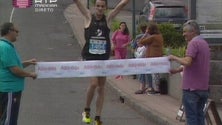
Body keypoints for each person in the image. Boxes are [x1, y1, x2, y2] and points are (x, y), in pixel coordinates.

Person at [73, 0, 129, 125]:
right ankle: (86, 110)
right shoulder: (88, 17)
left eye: (102, 6)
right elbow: (78, 4)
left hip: (103, 58)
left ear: (105, 8)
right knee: (93, 83)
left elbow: (120, 6)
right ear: (94, 7)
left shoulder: (107, 20)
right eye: (97, 6)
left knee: (101, 87)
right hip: (90, 58)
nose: (99, 8)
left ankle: (98, 117)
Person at [169, 20, 210, 125]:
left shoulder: (193, 43)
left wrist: (173, 57)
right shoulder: (204, 43)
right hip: (203, 87)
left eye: (185, 31)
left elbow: (187, 61)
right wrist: (177, 70)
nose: (183, 34)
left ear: (193, 32)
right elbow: (195, 64)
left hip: (192, 89)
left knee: (191, 117)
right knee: (200, 116)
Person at [0, 22, 37, 125]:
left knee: (6, 117)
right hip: (10, 89)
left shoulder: (5, 46)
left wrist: (28, 63)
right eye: (16, 31)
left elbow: (14, 65)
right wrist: (30, 74)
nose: (18, 33)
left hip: (8, 89)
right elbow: (14, 69)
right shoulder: (5, 47)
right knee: (9, 120)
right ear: (9, 31)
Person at [138, 22, 164, 94]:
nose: (147, 30)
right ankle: (155, 88)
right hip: (157, 56)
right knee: (155, 73)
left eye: (148, 29)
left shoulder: (153, 37)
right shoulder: (159, 36)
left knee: (153, 73)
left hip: (152, 57)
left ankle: (155, 89)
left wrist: (145, 34)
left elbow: (141, 42)